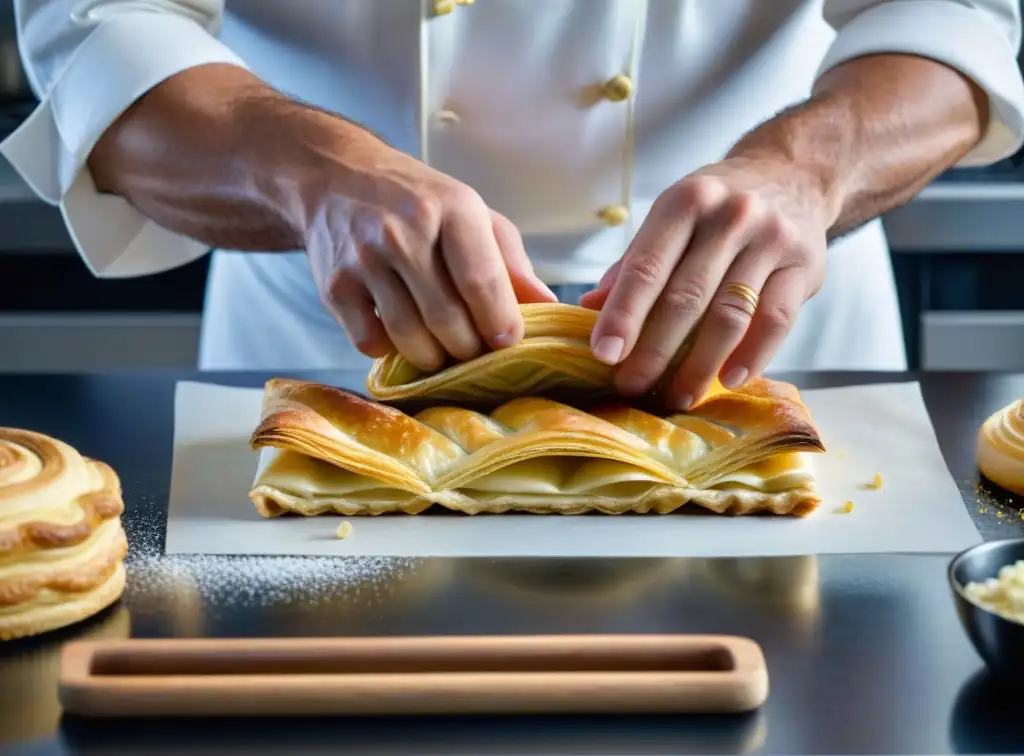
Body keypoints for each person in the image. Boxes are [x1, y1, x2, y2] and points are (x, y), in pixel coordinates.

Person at [4, 1, 1023, 410]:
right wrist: (313, 175)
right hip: (334, 345)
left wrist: (804, 172)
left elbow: (955, 15)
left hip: (762, 338)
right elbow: (101, 32)